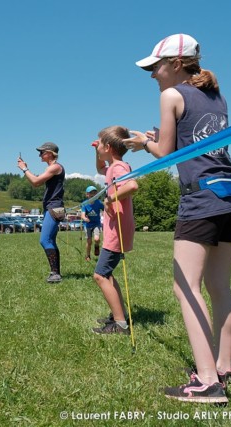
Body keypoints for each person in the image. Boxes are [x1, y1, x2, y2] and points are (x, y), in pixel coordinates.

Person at [125, 34, 231, 403]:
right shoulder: (216, 95)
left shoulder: (170, 95)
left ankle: (208, 382)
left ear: (177, 63)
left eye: (155, 66)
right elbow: (192, 142)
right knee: (219, 286)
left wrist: (141, 143)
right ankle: (224, 367)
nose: (151, 75)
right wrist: (162, 139)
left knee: (185, 287)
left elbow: (165, 152)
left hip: (202, 197)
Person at [90, 126, 138, 335]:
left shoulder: (118, 168)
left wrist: (110, 198)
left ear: (108, 147)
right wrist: (96, 151)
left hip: (117, 229)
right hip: (115, 228)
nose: (98, 146)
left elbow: (132, 186)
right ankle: (118, 315)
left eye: (100, 143)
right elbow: (101, 168)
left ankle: (120, 324)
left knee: (100, 276)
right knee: (107, 274)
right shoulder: (113, 166)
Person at [17, 142, 65, 283]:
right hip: (52, 208)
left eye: (42, 152)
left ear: (50, 153)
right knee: (51, 241)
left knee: (45, 240)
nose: (40, 155)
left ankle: (55, 274)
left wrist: (24, 169)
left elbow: (36, 182)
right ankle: (56, 273)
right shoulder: (52, 168)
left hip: (53, 208)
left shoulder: (56, 167)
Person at [80, 185, 104, 261]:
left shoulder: (99, 203)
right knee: (89, 241)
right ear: (87, 194)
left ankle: (96, 247)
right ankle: (88, 255)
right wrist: (84, 218)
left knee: (96, 239)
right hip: (88, 225)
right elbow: (82, 215)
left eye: (94, 192)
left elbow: (105, 209)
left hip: (96, 223)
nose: (93, 194)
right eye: (91, 193)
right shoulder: (84, 204)